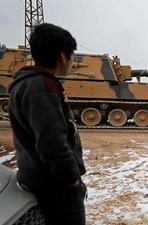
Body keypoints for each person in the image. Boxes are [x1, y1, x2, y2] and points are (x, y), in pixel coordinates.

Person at [8, 23, 86, 225]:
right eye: (72, 55)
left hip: (39, 178)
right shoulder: (43, 87)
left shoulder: (25, 83)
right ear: (63, 56)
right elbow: (52, 144)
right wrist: (73, 180)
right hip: (56, 187)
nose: (72, 62)